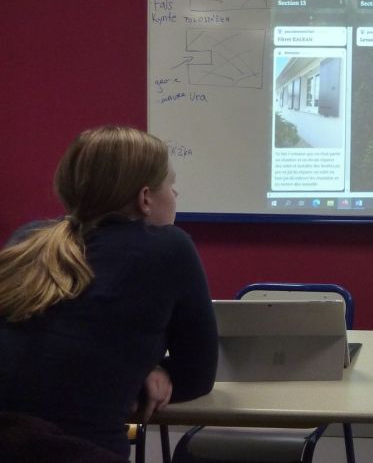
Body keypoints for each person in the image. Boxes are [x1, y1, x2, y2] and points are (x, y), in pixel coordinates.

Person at [0, 125, 218, 459]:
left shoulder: (28, 239)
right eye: (170, 185)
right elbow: (197, 375)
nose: (175, 194)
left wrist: (141, 369)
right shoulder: (169, 247)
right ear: (145, 199)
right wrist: (153, 374)